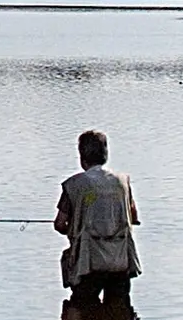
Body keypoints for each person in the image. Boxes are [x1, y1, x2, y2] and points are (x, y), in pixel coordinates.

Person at [54, 129, 141, 303]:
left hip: (88, 263)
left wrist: (73, 227)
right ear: (105, 154)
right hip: (120, 261)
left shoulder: (74, 184)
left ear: (81, 157)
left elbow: (60, 224)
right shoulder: (123, 181)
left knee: (82, 310)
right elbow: (133, 217)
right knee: (119, 312)